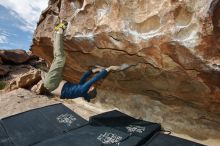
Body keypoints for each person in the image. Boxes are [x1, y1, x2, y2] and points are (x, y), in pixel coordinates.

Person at [42, 20, 120, 102]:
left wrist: (109, 69)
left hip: (52, 83)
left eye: (91, 87)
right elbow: (84, 77)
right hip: (56, 81)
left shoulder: (82, 91)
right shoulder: (80, 89)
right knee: (58, 58)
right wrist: (94, 70)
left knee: (60, 58)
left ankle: (59, 31)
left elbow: (93, 79)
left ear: (89, 91)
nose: (92, 86)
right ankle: (56, 33)